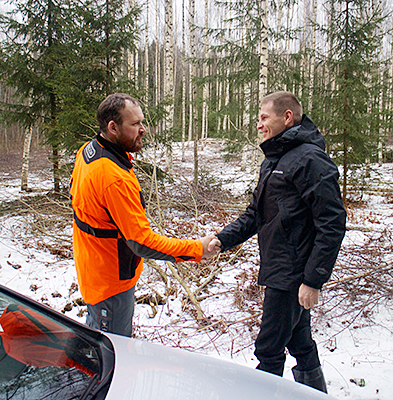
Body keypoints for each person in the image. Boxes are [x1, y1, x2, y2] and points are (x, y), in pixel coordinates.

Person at [213, 91, 346, 393]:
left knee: (269, 350)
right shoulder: (275, 161)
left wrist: (313, 279)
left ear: (286, 118)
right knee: (300, 343)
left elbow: (333, 222)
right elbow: (255, 215)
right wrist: (221, 240)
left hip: (292, 275)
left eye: (263, 117)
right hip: (280, 269)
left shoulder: (310, 159)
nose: (258, 124)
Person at [70, 93, 220, 337]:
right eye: (135, 124)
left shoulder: (90, 150)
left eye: (142, 121)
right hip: (110, 284)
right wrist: (196, 249)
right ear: (112, 127)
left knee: (96, 337)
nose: (143, 129)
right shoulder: (112, 177)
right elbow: (141, 242)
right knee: (111, 353)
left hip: (95, 269)